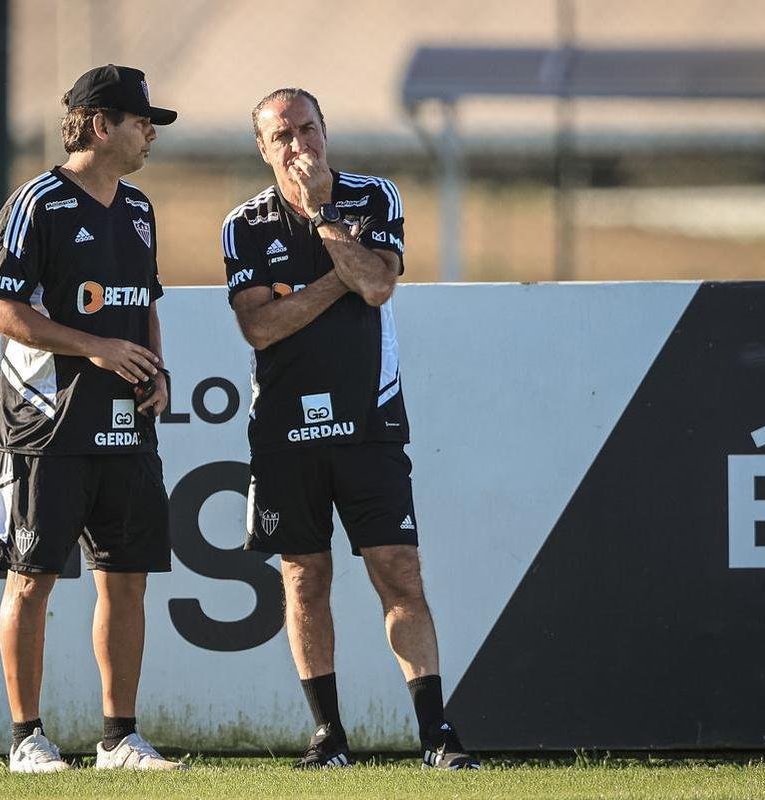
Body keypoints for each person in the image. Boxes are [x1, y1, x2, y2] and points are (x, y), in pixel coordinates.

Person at [221, 87, 480, 770]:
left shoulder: (374, 197)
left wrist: (322, 217)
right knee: (304, 578)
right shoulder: (243, 224)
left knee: (399, 572)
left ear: (325, 130)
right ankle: (328, 736)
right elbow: (260, 327)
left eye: (307, 129)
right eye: (282, 136)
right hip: (284, 430)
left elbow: (379, 287)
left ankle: (436, 735)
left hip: (370, 422)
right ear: (263, 148)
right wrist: (345, 275)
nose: (298, 145)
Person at [0, 64, 185, 773]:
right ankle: (26, 739)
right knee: (31, 578)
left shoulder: (139, 209)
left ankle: (119, 739)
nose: (150, 133)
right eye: (141, 121)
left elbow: (145, 300)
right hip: (46, 426)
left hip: (126, 428)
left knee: (126, 578)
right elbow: (0, 311)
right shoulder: (36, 203)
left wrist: (157, 371)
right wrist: (92, 346)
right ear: (100, 124)